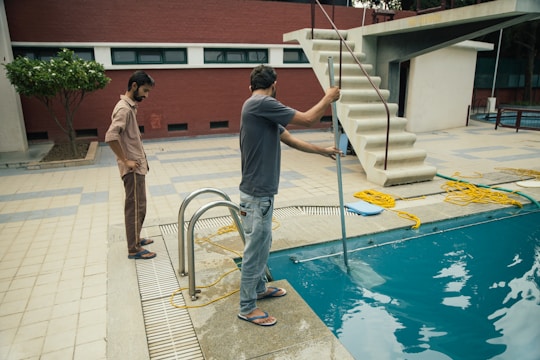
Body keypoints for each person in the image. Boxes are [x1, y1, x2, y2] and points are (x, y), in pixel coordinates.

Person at [237, 65, 341, 326]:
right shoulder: (261, 103)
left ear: (251, 85)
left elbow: (292, 140)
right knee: (254, 251)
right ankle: (247, 307)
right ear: (274, 85)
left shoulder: (261, 109)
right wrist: (328, 97)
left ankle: (259, 289)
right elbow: (307, 119)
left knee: (262, 246)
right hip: (256, 195)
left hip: (262, 194)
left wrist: (321, 150)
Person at [105, 70, 156, 260]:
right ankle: (133, 249)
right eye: (144, 90)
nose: (146, 95)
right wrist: (125, 160)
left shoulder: (129, 107)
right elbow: (111, 137)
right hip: (132, 169)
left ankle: (135, 239)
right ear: (134, 86)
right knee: (135, 207)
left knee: (139, 206)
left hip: (137, 166)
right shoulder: (124, 109)